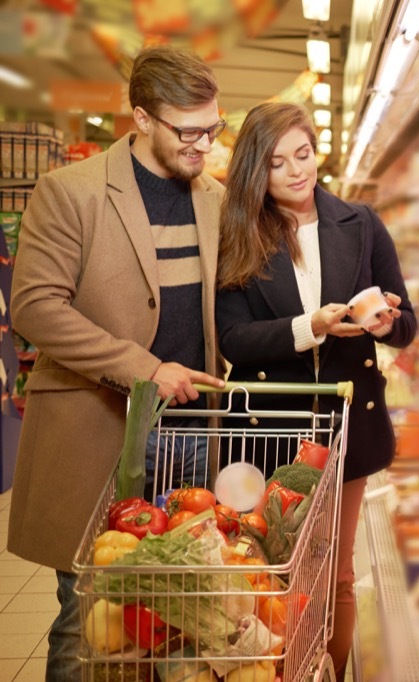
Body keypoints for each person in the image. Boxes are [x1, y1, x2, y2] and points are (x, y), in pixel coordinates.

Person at [7, 45, 226, 681]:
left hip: (189, 441)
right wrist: (142, 366)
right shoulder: (70, 191)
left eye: (211, 127)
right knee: (89, 619)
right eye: (189, 131)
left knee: (171, 616)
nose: (203, 144)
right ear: (142, 118)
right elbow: (35, 307)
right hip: (102, 432)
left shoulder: (210, 197)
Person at [216, 101, 417, 676]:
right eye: (278, 163)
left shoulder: (361, 222)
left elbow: (408, 322)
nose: (296, 172)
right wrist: (314, 326)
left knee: (337, 572)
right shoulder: (239, 233)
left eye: (302, 154)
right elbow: (235, 338)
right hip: (269, 429)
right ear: (258, 171)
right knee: (270, 571)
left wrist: (387, 322)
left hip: (346, 427)